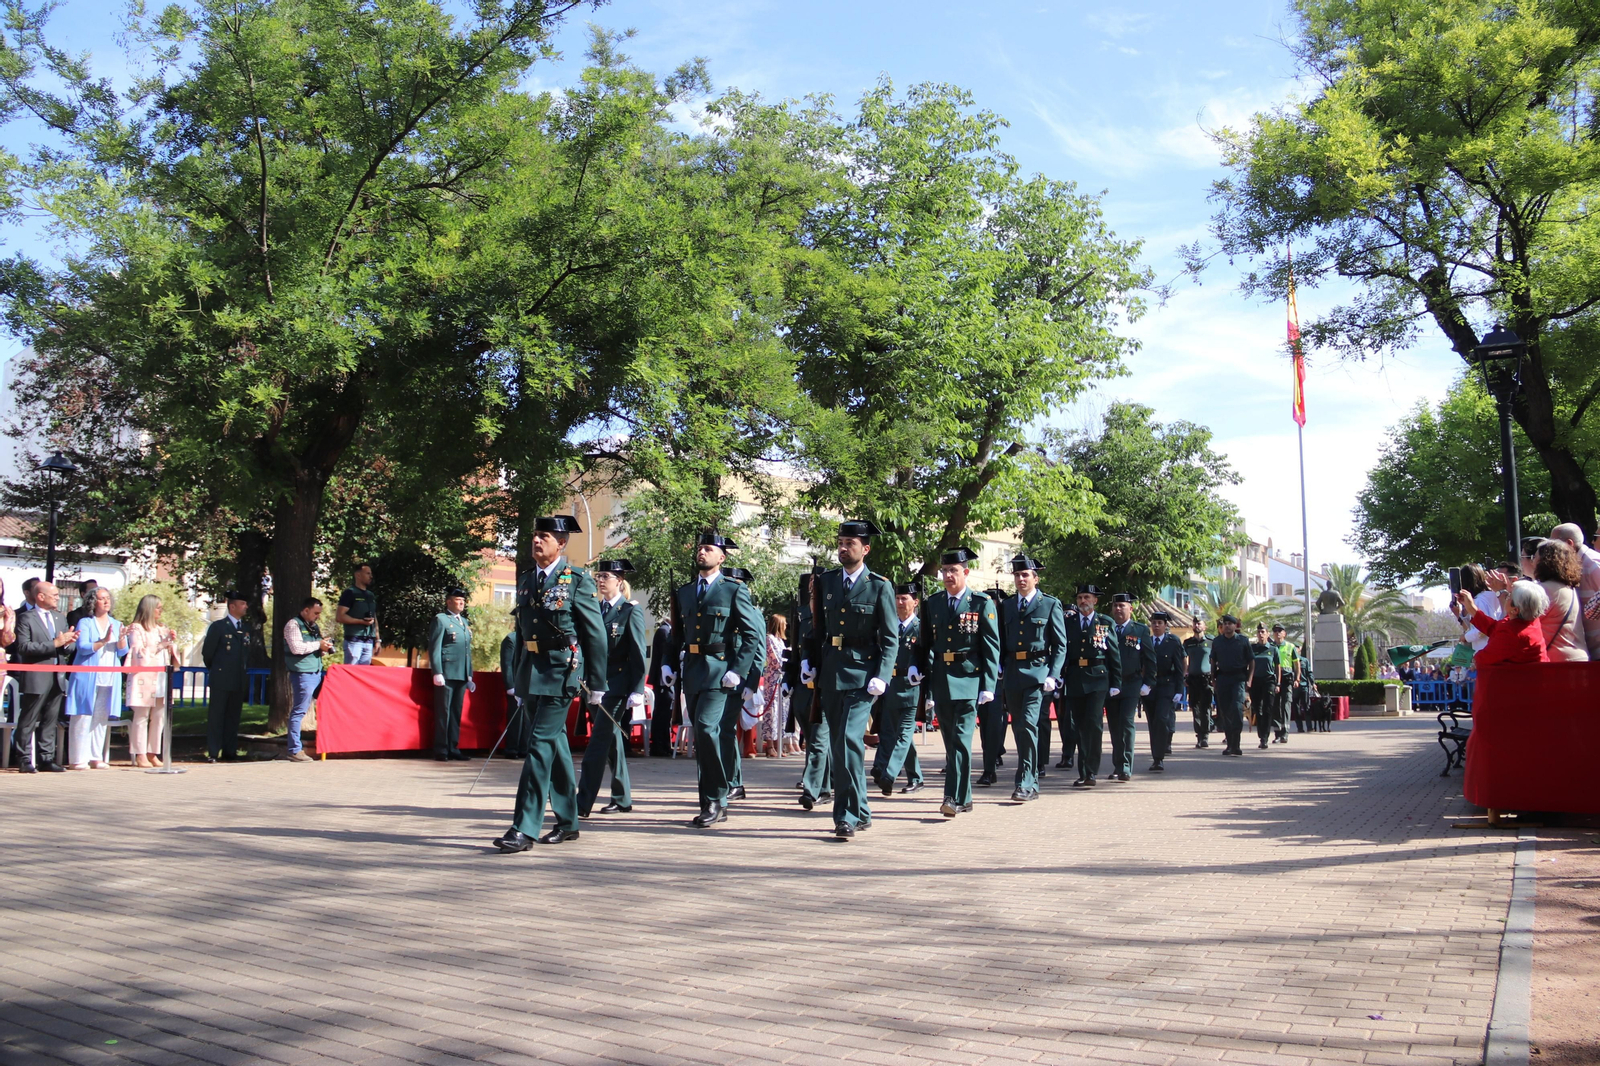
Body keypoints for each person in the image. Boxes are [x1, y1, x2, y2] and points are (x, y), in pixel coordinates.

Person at [495, 516, 608, 851]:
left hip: (562, 671)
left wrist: (597, 682)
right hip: (531, 671)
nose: (536, 541)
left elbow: (595, 633)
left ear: (561, 543)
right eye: (535, 536)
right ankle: (569, 821)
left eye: (544, 536)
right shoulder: (527, 579)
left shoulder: (577, 580)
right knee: (555, 746)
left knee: (539, 745)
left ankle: (524, 828)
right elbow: (522, 632)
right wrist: (516, 680)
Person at [662, 531, 761, 830]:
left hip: (720, 671)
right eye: (700, 548)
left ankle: (717, 797)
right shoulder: (685, 592)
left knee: (706, 729)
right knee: (701, 736)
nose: (702, 552)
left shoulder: (733, 590)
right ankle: (710, 802)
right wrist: (668, 663)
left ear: (722, 557)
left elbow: (751, 634)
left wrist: (739, 670)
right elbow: (677, 633)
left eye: (709, 548)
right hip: (692, 670)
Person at [810, 520, 897, 840]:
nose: (843, 548)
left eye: (850, 543)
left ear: (866, 549)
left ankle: (844, 816)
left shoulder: (879, 586)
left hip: (863, 677)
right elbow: (818, 629)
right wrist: (809, 661)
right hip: (832, 673)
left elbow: (890, 638)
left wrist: (883, 676)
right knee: (839, 745)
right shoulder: (827, 581)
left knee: (848, 741)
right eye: (841, 542)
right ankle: (861, 809)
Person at [913, 547, 999, 816]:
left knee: (961, 739)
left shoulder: (981, 603)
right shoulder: (934, 603)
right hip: (941, 678)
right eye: (944, 571)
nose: (948, 575)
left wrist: (988, 685)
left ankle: (952, 797)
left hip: (968, 678)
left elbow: (991, 646)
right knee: (951, 741)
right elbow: (925, 642)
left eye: (953, 570)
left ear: (966, 572)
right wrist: (918, 667)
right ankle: (966, 798)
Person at [577, 559, 646, 818]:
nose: (600, 580)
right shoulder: (594, 609)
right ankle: (622, 797)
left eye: (605, 576)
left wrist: (637, 689)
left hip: (617, 687)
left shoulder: (630, 610)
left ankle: (581, 803)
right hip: (594, 686)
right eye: (598, 576)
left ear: (619, 580)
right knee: (612, 741)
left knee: (597, 743)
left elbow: (638, 652)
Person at [997, 555, 1066, 802]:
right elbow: (1001, 641)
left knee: (1027, 724)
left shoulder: (1049, 604)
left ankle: (1026, 781)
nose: (1020, 579)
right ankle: (1032, 778)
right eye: (1017, 575)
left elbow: (1060, 644)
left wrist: (1053, 674)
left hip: (1037, 673)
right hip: (1013, 673)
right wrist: (998, 665)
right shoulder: (1006, 606)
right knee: (1018, 728)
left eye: (1025, 575)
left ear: (1035, 578)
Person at [1059, 583, 1121, 787]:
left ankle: (1091, 771)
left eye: (1087, 597)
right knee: (1078, 727)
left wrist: (1116, 682)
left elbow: (1113, 653)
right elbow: (1063, 651)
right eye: (1079, 598)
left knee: (1093, 726)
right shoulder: (1068, 622)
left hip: (1098, 677)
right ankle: (1083, 771)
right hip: (1075, 677)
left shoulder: (1105, 622)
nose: (1083, 601)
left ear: (1095, 600)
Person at [11, 581, 75, 771]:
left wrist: (67, 643)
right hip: (36, 675)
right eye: (54, 595)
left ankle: (46, 758)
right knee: (29, 717)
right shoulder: (25, 618)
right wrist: (54, 643)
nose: (57, 598)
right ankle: (23, 759)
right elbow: (23, 647)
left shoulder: (59, 618)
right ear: (41, 597)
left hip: (57, 676)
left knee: (50, 718)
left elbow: (68, 648)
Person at [871, 578, 925, 797]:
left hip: (912, 688)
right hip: (891, 687)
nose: (900, 602)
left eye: (905, 598)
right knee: (892, 733)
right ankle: (916, 777)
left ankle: (889, 773)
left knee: (903, 734)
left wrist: (920, 671)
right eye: (897, 598)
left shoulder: (921, 628)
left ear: (916, 602)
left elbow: (928, 655)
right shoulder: (890, 626)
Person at [65, 587, 127, 769]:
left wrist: (122, 639)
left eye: (108, 598)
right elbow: (83, 647)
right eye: (102, 598)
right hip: (87, 675)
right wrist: (104, 641)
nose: (106, 601)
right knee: (83, 715)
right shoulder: (85, 622)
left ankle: (96, 756)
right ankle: (78, 759)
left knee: (100, 717)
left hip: (109, 676)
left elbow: (123, 651)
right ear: (93, 602)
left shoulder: (117, 623)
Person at [717, 566, 765, 801]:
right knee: (719, 730)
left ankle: (734, 782)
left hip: (739, 680)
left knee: (725, 729)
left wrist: (752, 683)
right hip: (718, 676)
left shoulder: (753, 612)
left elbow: (758, 651)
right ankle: (725, 780)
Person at [1104, 594, 1153, 782]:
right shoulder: (1105, 629)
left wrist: (1148, 682)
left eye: (1122, 606)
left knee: (1126, 723)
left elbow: (1150, 658)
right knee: (1114, 726)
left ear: (1130, 609)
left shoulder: (1139, 630)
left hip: (1131, 683)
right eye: (1115, 605)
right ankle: (1117, 765)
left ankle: (1126, 766)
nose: (1118, 609)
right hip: (1110, 684)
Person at [794, 569, 833, 807]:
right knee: (812, 739)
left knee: (818, 740)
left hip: (824, 685)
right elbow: (795, 651)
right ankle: (825, 787)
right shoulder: (802, 614)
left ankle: (811, 788)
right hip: (802, 686)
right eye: (810, 583)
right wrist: (789, 680)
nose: (812, 587)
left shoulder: (829, 614)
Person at [125, 594, 176, 767]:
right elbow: (138, 654)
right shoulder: (136, 629)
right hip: (144, 679)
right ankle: (140, 754)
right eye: (158, 607)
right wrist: (160, 645)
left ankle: (152, 752)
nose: (161, 611)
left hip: (161, 677)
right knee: (142, 716)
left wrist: (170, 642)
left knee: (159, 716)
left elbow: (168, 652)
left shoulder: (160, 628)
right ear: (148, 608)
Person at [201, 591, 252, 762]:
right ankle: (214, 752)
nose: (246, 607)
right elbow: (208, 653)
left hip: (238, 679)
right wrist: (217, 669)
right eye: (242, 604)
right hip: (221, 679)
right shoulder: (219, 627)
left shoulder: (245, 629)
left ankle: (230, 751)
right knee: (217, 716)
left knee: (233, 716)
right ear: (232, 606)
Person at [426, 587, 474, 761]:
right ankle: (441, 749)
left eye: (463, 600)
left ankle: (453, 747)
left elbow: (467, 651)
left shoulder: (464, 622)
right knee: (443, 712)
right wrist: (437, 671)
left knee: (456, 712)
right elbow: (435, 647)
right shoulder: (441, 620)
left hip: (461, 674)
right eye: (458, 599)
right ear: (449, 602)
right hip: (446, 673)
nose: (461, 602)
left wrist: (469, 674)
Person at [282, 596, 332, 762]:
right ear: (305, 610)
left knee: (323, 706)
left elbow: (314, 647)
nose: (317, 616)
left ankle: (324, 743)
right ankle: (294, 749)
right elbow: (296, 648)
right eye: (315, 613)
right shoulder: (293, 625)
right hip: (302, 673)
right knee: (299, 710)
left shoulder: (313, 627)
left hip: (316, 672)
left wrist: (324, 648)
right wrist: (318, 644)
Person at [1455, 583, 1549, 666]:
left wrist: (1466, 658)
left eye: (1509, 597)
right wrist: (1470, 607)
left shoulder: (1511, 633)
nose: (1506, 597)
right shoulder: (1530, 621)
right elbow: (1493, 627)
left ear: (1515, 610)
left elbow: (1483, 658)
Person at [1532, 540, 1588, 661]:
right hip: (1578, 657)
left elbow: (1519, 620)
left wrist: (1503, 594)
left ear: (1544, 561)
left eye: (1535, 556)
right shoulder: (1568, 588)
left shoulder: (1543, 590)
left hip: (1558, 662)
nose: (1532, 561)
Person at [1144, 611, 1185, 772]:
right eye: (1154, 623)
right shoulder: (1146, 640)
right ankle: (1155, 755)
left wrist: (1179, 689)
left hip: (1166, 684)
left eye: (1159, 623)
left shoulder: (1172, 641)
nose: (1156, 626)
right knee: (1152, 722)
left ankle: (1159, 758)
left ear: (1165, 625)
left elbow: (1179, 667)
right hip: (1149, 687)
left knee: (1161, 719)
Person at [1209, 614, 1254, 757]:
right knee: (1225, 712)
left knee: (1236, 710)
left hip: (1239, 678)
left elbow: (1251, 661)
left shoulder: (1243, 641)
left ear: (1236, 626)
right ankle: (1229, 744)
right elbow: (1213, 661)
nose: (1227, 626)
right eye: (1225, 623)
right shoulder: (1217, 642)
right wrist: (1213, 679)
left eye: (1230, 623)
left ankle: (1236, 744)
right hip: (1222, 678)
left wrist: (1249, 680)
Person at [336, 563, 380, 664]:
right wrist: (360, 622)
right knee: (351, 672)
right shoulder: (350, 593)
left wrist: (377, 640)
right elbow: (340, 616)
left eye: (371, 574)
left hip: (369, 641)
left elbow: (374, 617)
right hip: (354, 640)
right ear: (358, 575)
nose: (371, 576)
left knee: (363, 674)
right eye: (368, 573)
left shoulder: (371, 595)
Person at [759, 614, 788, 758]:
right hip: (773, 679)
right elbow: (775, 659)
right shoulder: (769, 638)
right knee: (772, 711)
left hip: (782, 679)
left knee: (781, 712)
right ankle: (769, 745)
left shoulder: (781, 641)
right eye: (784, 623)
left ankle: (779, 744)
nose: (786, 626)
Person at [1248, 623, 1280, 750]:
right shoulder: (1252, 648)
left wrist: (1278, 683)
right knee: (1257, 709)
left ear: (1267, 634)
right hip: (1255, 681)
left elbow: (1278, 666)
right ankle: (1261, 734)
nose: (1261, 634)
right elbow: (1248, 664)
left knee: (1267, 709)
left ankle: (1264, 738)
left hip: (1269, 681)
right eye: (1259, 632)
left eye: (1263, 632)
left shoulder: (1273, 649)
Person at [646, 616, 674, 757]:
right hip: (661, 679)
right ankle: (657, 745)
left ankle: (665, 745)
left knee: (666, 713)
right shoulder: (664, 631)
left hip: (664, 679)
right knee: (661, 713)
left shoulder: (666, 630)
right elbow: (667, 654)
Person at [1184, 618, 1213, 747]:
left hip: (1206, 678)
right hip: (1193, 678)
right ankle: (1199, 735)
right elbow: (1184, 660)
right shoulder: (1188, 643)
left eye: (1199, 623)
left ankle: (1205, 735)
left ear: (1204, 627)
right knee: (1195, 708)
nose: (1197, 625)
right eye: (1195, 623)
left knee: (1205, 708)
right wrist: (1185, 675)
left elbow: (1215, 660)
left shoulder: (1211, 642)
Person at [1270, 623, 1299, 744]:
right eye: (1275, 631)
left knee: (1286, 704)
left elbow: (1296, 664)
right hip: (1274, 678)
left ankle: (1285, 733)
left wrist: (1297, 679)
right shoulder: (1270, 646)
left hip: (1287, 679)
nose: (1278, 633)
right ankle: (1277, 733)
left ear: (1284, 633)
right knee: (1275, 706)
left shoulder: (1290, 646)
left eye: (1280, 631)